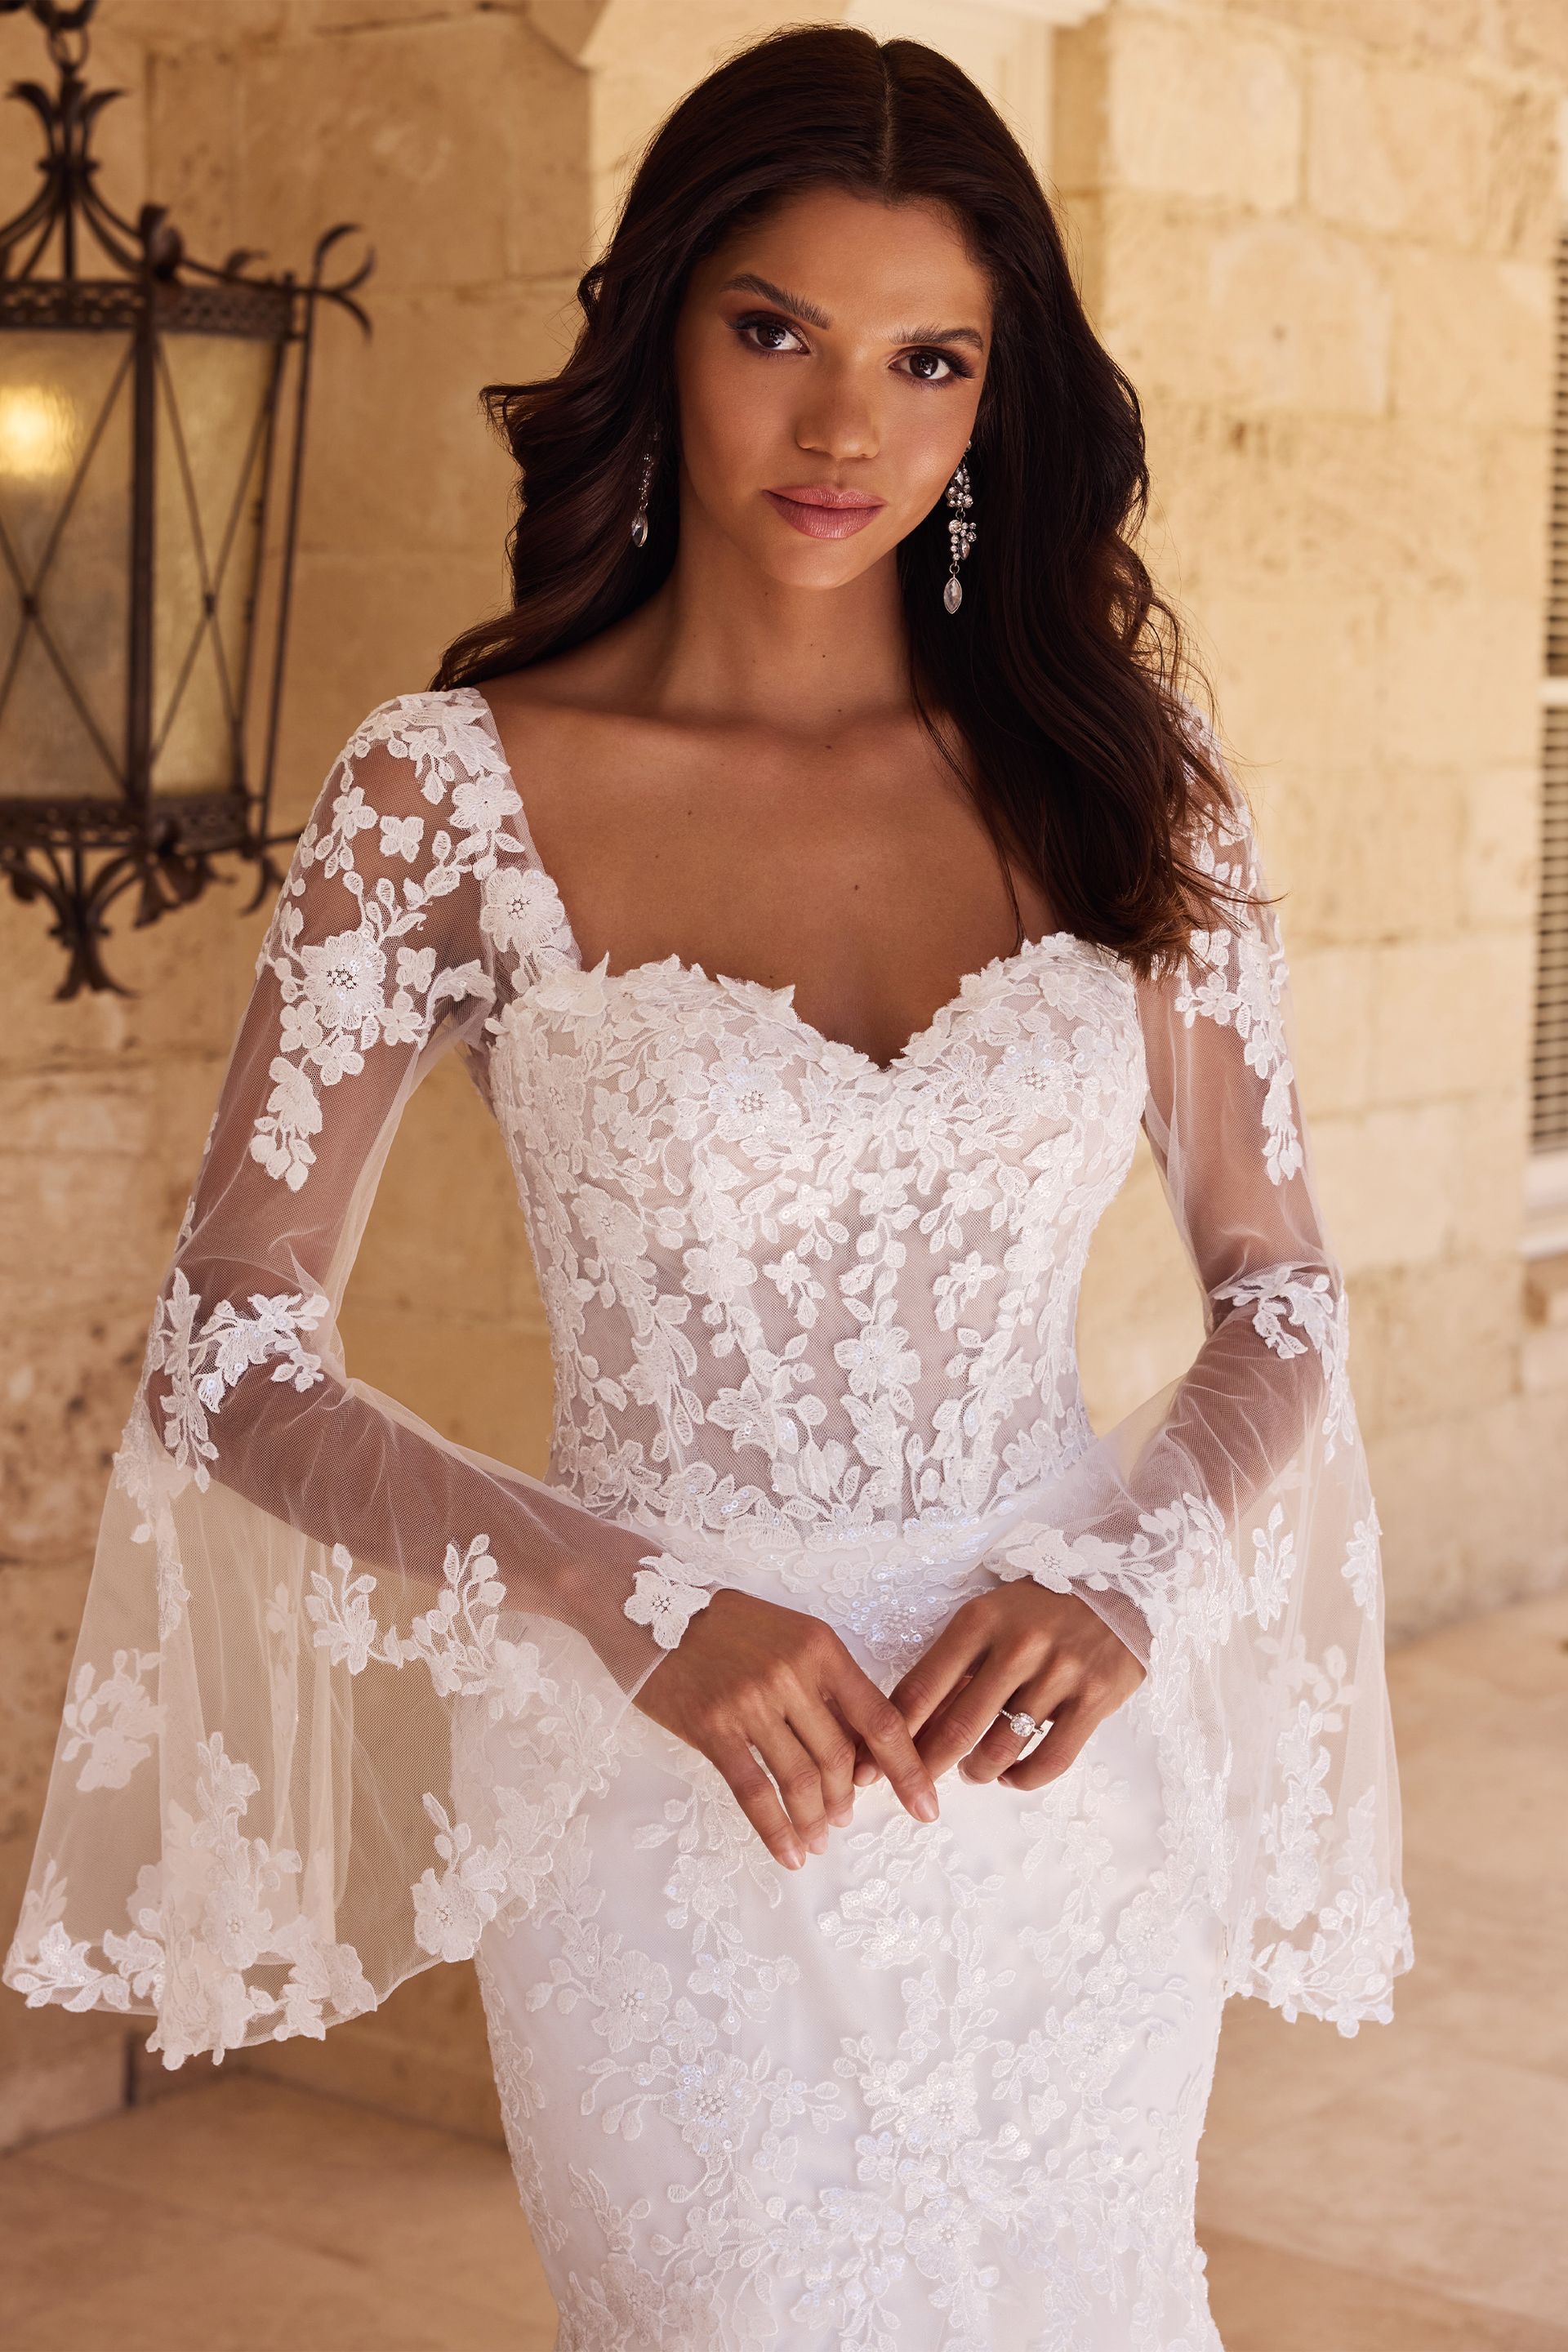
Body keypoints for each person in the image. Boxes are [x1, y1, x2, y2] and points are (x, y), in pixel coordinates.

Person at [5, 26, 1410, 2348]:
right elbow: (229, 1349)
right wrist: (624, 1591)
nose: (848, 428)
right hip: (670, 1794)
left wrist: (1131, 1575)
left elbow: (1273, 1287)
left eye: (929, 360)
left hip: (1059, 1790)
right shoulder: (445, 797)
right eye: (777, 331)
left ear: (997, 402)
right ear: (664, 330)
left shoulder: (1125, 779)